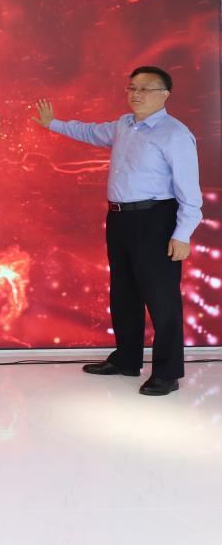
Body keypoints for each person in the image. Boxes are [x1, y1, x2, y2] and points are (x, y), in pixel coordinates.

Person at [33, 66, 201, 396]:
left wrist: (183, 234)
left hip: (156, 219)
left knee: (161, 297)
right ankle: (126, 359)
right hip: (120, 219)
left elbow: (189, 192)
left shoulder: (175, 135)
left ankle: (167, 373)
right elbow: (91, 132)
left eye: (145, 89)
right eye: (132, 88)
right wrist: (53, 124)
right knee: (123, 292)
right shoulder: (124, 125)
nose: (136, 94)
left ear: (165, 95)